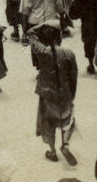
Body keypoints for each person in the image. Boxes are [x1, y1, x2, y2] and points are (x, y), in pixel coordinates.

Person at [27, 25, 78, 165]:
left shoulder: (42, 52)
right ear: (60, 37)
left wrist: (42, 26)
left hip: (47, 94)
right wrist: (71, 94)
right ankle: (65, 144)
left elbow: (30, 33)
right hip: (64, 93)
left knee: (48, 123)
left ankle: (52, 151)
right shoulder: (69, 53)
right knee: (68, 121)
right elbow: (74, 77)